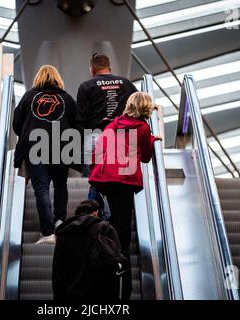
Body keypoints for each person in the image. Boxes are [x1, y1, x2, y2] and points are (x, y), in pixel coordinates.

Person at [89, 92, 162, 299]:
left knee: (115, 219)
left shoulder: (112, 125)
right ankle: (117, 263)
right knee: (122, 226)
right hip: (124, 180)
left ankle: (108, 252)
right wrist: (150, 139)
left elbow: (97, 150)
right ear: (146, 108)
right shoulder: (142, 128)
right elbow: (146, 157)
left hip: (105, 178)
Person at [13, 65, 76, 244]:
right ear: (58, 78)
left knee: (41, 188)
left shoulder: (29, 97)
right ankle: (60, 223)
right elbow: (77, 122)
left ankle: (48, 233)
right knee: (60, 185)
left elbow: (17, 123)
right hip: (62, 145)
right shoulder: (66, 99)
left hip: (35, 146)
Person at [75, 52, 138, 219]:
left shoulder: (86, 86)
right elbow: (138, 106)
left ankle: (94, 217)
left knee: (94, 180)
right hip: (121, 138)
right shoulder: (125, 83)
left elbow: (80, 119)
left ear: (92, 70)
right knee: (118, 181)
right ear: (109, 68)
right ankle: (114, 218)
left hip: (94, 138)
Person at [52, 200, 127, 301]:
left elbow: (57, 272)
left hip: (71, 295)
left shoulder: (64, 233)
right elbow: (116, 263)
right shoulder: (106, 229)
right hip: (100, 295)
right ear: (96, 212)